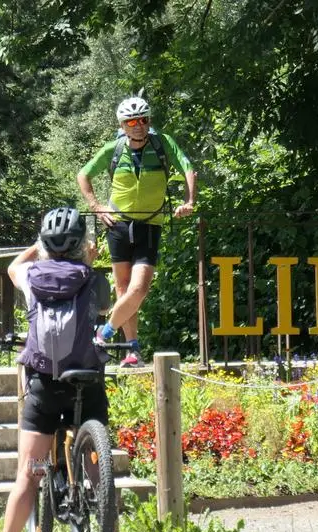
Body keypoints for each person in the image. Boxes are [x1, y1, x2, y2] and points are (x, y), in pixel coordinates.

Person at [0, 206, 131, 532]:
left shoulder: (31, 276)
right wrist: (90, 256)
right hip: (87, 383)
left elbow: (12, 267)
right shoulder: (90, 277)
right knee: (101, 477)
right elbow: (100, 304)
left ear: (45, 242)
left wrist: (36, 249)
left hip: (44, 385)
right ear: (81, 243)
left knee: (27, 474)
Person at [77, 95, 197, 367]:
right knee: (123, 290)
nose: (138, 125)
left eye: (143, 120)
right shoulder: (114, 149)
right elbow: (83, 174)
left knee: (139, 289)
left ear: (149, 121)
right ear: (122, 124)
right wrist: (97, 207)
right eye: (131, 121)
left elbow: (189, 169)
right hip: (118, 224)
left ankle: (103, 333)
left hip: (150, 224)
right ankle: (133, 350)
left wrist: (189, 202)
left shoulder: (163, 143)